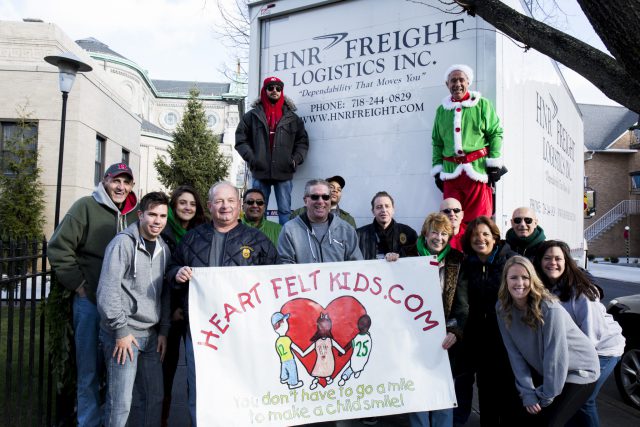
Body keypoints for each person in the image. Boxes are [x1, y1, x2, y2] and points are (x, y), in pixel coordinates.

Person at [167, 181, 279, 425]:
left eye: (230, 201)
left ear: (239, 205)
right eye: (218, 201)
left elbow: (275, 281)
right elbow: (171, 268)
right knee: (200, 386)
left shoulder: (257, 240)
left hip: (242, 331)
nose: (225, 206)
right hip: (200, 330)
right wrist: (177, 274)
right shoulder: (192, 239)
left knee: (240, 386)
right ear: (209, 206)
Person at [48, 162, 138, 427]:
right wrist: (79, 285)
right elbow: (58, 248)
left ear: (132, 186)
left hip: (122, 309)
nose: (121, 187)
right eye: (116, 181)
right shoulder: (85, 207)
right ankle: (87, 421)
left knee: (116, 370)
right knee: (88, 370)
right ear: (105, 181)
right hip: (90, 303)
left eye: (126, 182)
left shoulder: (135, 213)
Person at [497, 256, 600, 427]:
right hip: (550, 371)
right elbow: (515, 355)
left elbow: (555, 357)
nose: (519, 283)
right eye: (513, 277)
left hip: (580, 371)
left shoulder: (550, 309)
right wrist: (527, 393)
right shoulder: (502, 308)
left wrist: (545, 397)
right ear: (505, 281)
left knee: (549, 422)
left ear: (533, 279)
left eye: (525, 277)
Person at [97, 191, 171, 427]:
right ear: (140, 215)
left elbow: (165, 293)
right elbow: (107, 292)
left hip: (151, 336)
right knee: (120, 404)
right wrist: (120, 331)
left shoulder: (164, 248)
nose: (157, 221)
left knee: (154, 398)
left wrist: (163, 331)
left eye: (162, 216)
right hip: (124, 336)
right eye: (152, 214)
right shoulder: (122, 244)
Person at [535, 240, 624, 427]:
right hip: (577, 349)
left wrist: (568, 363)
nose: (553, 263)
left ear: (567, 262)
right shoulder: (543, 288)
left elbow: (592, 336)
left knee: (584, 399)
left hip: (602, 350)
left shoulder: (582, 292)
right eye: (547, 258)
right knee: (569, 400)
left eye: (558, 258)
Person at [455, 216, 522, 426]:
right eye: (475, 235)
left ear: (494, 237)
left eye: (485, 234)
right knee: (486, 394)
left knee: (508, 393)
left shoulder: (511, 261)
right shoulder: (467, 265)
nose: (480, 239)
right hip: (478, 340)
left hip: (507, 338)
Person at [401, 213, 464, 427]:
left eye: (444, 233)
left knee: (442, 393)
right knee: (417, 392)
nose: (439, 237)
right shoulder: (407, 255)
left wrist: (454, 332)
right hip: (413, 337)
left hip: (444, 339)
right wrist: (390, 261)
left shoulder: (456, 259)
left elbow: (462, 305)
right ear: (426, 233)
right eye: (435, 232)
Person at [431, 64, 504, 223]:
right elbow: (437, 143)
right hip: (451, 174)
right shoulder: (442, 110)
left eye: (461, 80)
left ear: (468, 82)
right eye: (453, 80)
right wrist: (437, 169)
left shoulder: (482, 104)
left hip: (477, 171)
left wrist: (494, 164)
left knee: (479, 220)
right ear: (447, 84)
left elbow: (495, 133)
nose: (457, 84)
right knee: (449, 220)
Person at [160, 185, 207, 427]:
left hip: (193, 312)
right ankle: (162, 418)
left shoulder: (202, 233)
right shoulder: (162, 229)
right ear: (174, 205)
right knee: (165, 371)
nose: (187, 207)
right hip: (167, 310)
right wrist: (173, 309)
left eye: (192, 204)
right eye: (182, 203)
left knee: (197, 372)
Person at [235, 76, 309, 225]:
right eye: (271, 88)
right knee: (257, 210)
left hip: (284, 171)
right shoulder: (251, 117)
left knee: (284, 210)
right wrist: (253, 158)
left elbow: (302, 141)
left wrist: (294, 160)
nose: (274, 91)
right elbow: (241, 140)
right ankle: (257, 243)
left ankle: (285, 243)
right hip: (260, 171)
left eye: (278, 88)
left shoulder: (293, 118)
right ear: (265, 90)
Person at [278, 179, 363, 264]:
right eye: (315, 197)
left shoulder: (346, 230)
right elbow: (285, 266)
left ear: (330, 200)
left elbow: (356, 265)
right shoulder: (289, 230)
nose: (320, 201)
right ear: (305, 200)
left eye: (325, 197)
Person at [357, 191, 417, 260]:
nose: (384, 210)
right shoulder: (358, 236)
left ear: (393, 209)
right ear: (373, 211)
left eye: (387, 206)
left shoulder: (409, 233)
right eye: (379, 207)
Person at [290, 175, 357, 228]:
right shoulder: (298, 214)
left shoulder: (348, 220)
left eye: (339, 190)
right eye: (331, 187)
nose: (335, 191)